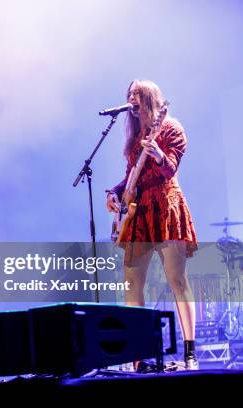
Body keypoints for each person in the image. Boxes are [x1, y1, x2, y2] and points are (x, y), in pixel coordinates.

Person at [106, 79, 199, 370]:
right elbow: (132, 175)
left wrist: (157, 151)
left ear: (148, 98)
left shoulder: (171, 128)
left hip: (166, 207)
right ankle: (137, 356)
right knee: (132, 282)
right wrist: (115, 192)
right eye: (128, 95)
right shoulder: (135, 138)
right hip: (138, 213)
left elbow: (170, 168)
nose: (130, 99)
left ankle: (189, 352)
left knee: (176, 279)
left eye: (136, 94)